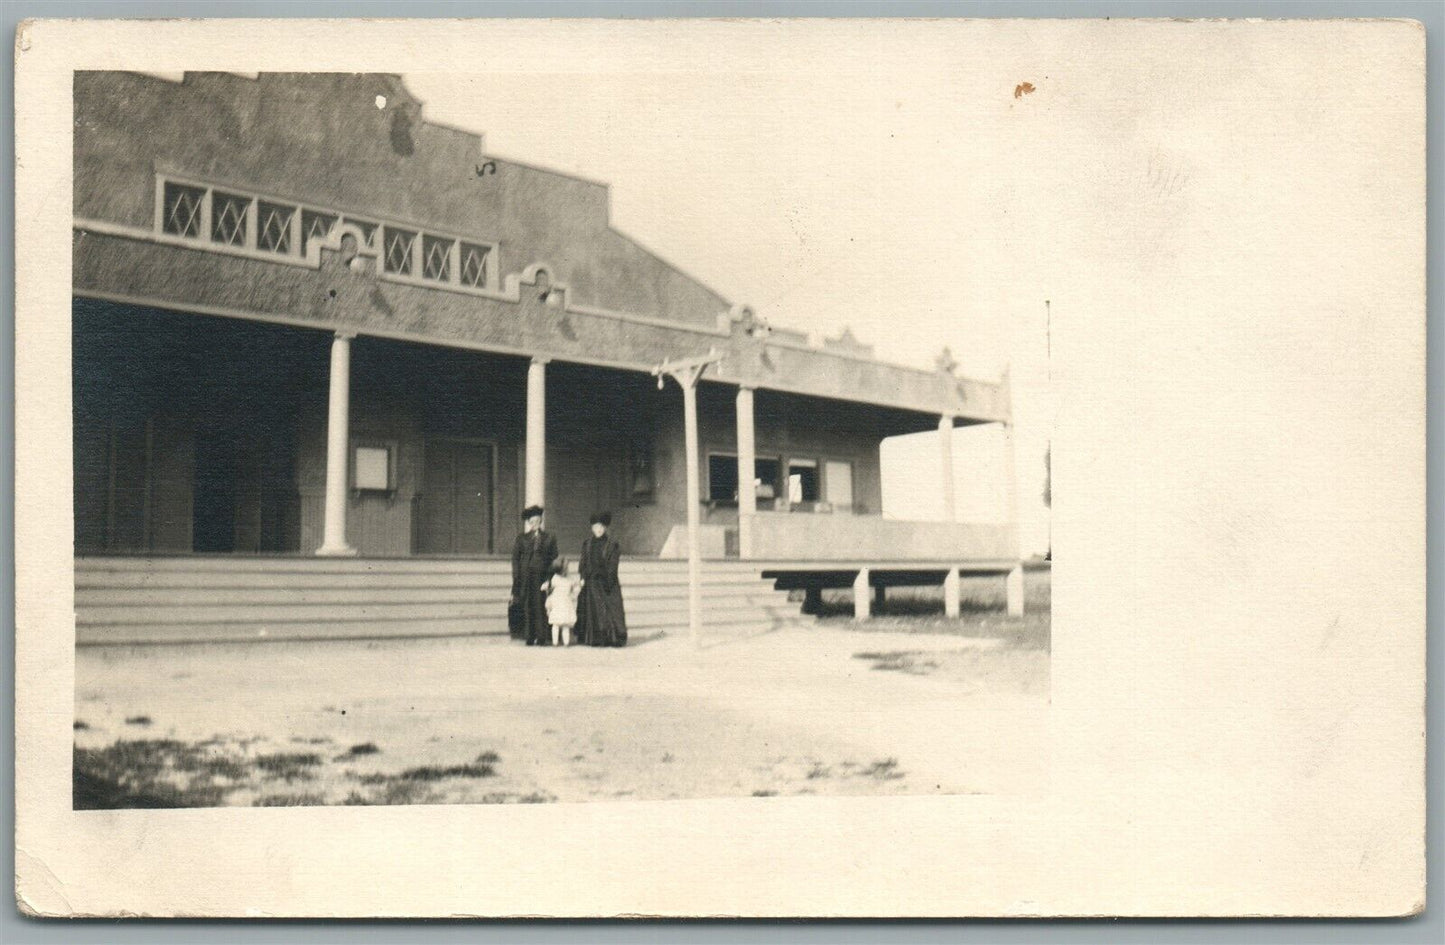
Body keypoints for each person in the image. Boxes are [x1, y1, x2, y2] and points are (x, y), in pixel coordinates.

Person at [577, 511, 627, 647]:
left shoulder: (612, 544)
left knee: (610, 611)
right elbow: (583, 563)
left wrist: (607, 581)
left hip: (607, 582)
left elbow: (613, 565)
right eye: (595, 527)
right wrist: (583, 577)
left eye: (601, 527)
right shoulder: (587, 544)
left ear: (605, 528)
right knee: (594, 612)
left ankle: (612, 638)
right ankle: (596, 639)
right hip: (592, 582)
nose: (598, 530)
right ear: (592, 528)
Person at [510, 505, 557, 646]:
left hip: (541, 577)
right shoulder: (521, 538)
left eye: (537, 520)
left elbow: (553, 559)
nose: (535, 523)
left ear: (541, 521)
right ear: (528, 523)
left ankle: (541, 636)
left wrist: (549, 579)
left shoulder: (549, 538)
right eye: (532, 521)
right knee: (527, 606)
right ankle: (529, 636)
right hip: (526, 577)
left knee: (541, 606)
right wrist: (517, 578)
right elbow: (515, 560)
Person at [542, 558, 579, 647]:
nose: (568, 570)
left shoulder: (560, 579)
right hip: (559, 603)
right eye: (566, 568)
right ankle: (557, 642)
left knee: (562, 624)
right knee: (557, 624)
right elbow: (548, 587)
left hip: (562, 603)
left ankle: (564, 642)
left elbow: (574, 589)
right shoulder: (558, 579)